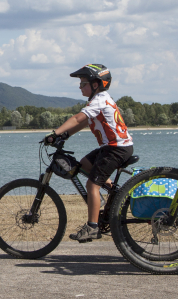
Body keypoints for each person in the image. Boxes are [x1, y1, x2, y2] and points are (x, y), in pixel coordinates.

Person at [44, 64, 135, 243]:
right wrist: (65, 135)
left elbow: (78, 118)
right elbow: (84, 123)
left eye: (83, 83)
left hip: (116, 148)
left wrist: (54, 133)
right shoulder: (98, 100)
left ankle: (92, 227)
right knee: (85, 163)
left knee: (92, 185)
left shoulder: (100, 99)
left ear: (96, 84)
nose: (80, 87)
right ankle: (113, 194)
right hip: (113, 147)